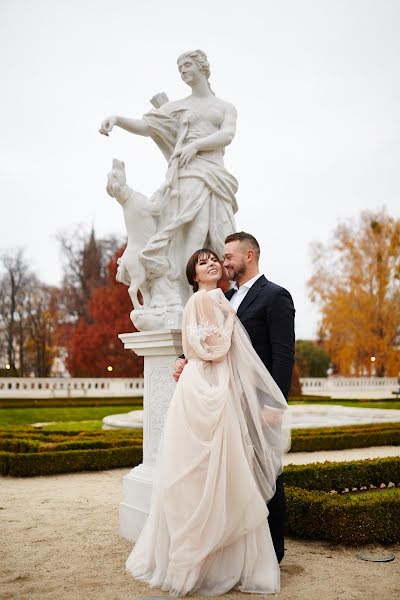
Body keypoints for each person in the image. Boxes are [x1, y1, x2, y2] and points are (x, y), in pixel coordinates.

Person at [126, 249, 290, 597]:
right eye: (203, 262)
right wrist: (228, 323)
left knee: (228, 470)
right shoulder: (204, 300)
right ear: (194, 275)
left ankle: (226, 557)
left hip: (220, 387)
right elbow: (209, 346)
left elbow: (206, 346)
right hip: (206, 389)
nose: (213, 263)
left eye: (216, 259)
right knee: (201, 471)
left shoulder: (225, 297)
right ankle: (201, 559)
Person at [174, 232, 295, 563]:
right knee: (238, 476)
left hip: (260, 403)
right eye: (219, 258)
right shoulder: (225, 297)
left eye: (228, 256)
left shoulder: (275, 296)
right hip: (228, 401)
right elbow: (206, 336)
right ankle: (244, 551)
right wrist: (186, 360)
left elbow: (284, 356)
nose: (223, 261)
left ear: (250, 255)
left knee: (268, 472)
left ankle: (273, 553)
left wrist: (275, 404)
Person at [99, 50, 238, 309]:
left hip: (214, 177)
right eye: (180, 68)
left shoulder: (224, 107)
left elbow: (227, 135)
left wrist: (195, 146)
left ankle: (225, 294)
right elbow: (147, 126)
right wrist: (117, 120)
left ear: (202, 68)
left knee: (222, 240)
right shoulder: (176, 107)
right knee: (189, 238)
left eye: (187, 65)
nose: (183, 71)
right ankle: (186, 297)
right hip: (186, 179)